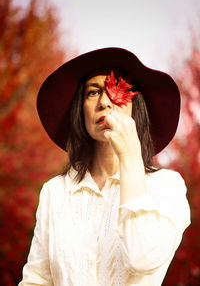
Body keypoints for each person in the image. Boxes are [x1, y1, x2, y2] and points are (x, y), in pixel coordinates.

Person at [19, 47, 190, 286]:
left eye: (117, 91)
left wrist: (130, 154)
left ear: (136, 107)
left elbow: (143, 258)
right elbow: (36, 280)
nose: (104, 103)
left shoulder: (166, 187)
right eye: (92, 92)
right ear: (80, 109)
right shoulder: (54, 192)